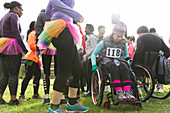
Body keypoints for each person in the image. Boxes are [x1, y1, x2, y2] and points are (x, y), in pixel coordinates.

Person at [37, 0, 89, 112]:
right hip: (60, 28)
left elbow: (48, 11)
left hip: (67, 27)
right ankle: (54, 107)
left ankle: (72, 102)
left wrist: (62, 13)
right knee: (64, 69)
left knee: (77, 69)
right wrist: (72, 14)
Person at [91, 24, 135, 102]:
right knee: (114, 67)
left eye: (121, 36)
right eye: (118, 36)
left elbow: (126, 55)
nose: (120, 38)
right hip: (106, 62)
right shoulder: (104, 41)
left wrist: (128, 64)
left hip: (120, 61)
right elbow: (94, 54)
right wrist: (94, 65)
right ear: (113, 33)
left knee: (124, 67)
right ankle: (119, 92)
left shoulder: (123, 42)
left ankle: (127, 91)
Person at [0, 1, 28, 105]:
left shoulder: (4, 17)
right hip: (12, 47)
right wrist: (23, 48)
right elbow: (16, 32)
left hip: (2, 46)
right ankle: (13, 99)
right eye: (21, 9)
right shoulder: (14, 16)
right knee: (13, 74)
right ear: (16, 8)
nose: (21, 12)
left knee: (5, 75)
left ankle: (0, 98)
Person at [35, 9, 57, 105]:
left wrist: (38, 47)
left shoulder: (42, 15)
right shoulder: (60, 12)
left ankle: (47, 96)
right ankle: (61, 96)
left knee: (46, 71)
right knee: (59, 70)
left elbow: (38, 32)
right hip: (58, 44)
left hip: (46, 44)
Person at [19, 21, 43, 102]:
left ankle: (36, 94)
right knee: (28, 76)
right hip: (31, 59)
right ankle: (21, 95)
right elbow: (31, 45)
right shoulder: (33, 34)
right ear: (34, 26)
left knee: (38, 75)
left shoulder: (37, 34)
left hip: (36, 59)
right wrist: (40, 47)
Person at [83, 24, 98, 96]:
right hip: (89, 58)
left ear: (89, 29)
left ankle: (90, 90)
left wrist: (86, 55)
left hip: (91, 58)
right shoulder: (90, 37)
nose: (85, 30)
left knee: (89, 75)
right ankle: (90, 90)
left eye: (85, 29)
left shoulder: (92, 38)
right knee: (88, 75)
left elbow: (93, 48)